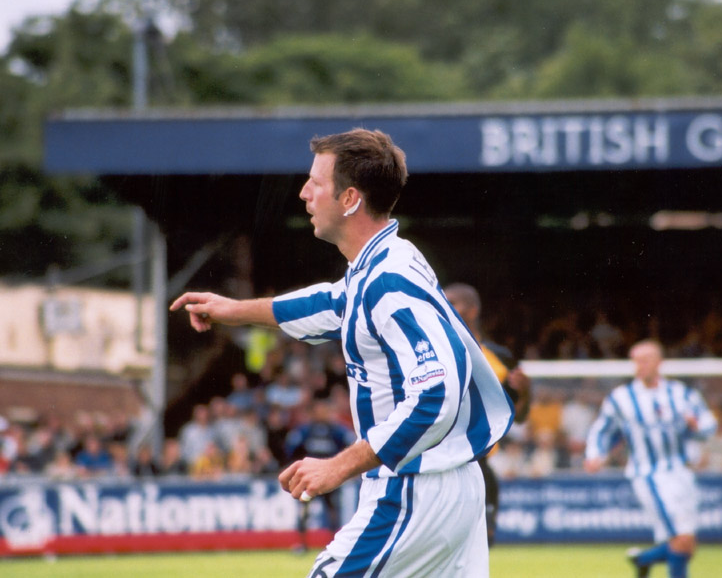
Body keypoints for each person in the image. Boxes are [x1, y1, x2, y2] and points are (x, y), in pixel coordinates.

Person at [171, 128, 514, 577]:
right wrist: (234, 310)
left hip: (413, 489)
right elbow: (331, 303)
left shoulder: (389, 281)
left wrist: (340, 465)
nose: (304, 192)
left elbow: (437, 395)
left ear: (350, 198)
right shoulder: (383, 263)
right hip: (444, 484)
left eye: (315, 181)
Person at [584, 339, 717, 578]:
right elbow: (602, 430)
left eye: (646, 360)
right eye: (636, 361)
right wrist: (595, 454)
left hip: (681, 471)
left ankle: (643, 559)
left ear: (659, 362)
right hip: (648, 474)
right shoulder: (621, 398)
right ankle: (645, 560)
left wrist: (698, 427)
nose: (641, 365)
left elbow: (709, 423)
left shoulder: (681, 393)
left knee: (688, 545)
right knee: (680, 539)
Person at [443, 282, 531, 546]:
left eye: (452, 302)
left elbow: (521, 417)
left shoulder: (499, 358)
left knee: (481, 545)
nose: (444, 306)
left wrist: (526, 393)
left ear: (472, 310)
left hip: (480, 467)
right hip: (441, 465)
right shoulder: (435, 351)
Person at [285, 396, 357, 550]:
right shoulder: (306, 430)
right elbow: (291, 447)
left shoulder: (336, 429)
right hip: (309, 477)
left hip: (329, 477)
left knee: (332, 511)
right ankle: (302, 543)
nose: (322, 413)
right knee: (304, 510)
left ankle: (334, 543)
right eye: (319, 410)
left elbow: (352, 444)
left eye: (324, 410)